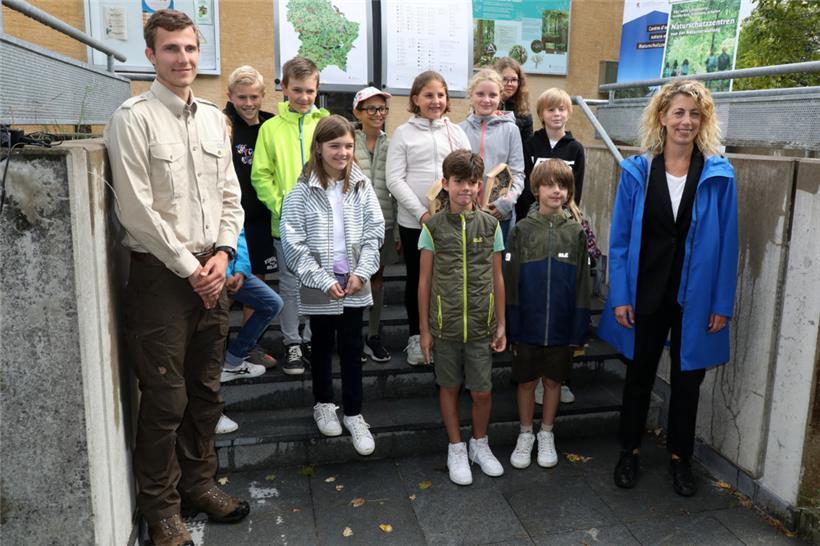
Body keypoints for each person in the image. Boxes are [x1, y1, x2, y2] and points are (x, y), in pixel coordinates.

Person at [104, 9, 248, 546]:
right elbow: (136, 212)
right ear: (150, 55)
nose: (183, 59)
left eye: (190, 48)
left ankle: (199, 485)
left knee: (206, 391)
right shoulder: (132, 118)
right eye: (171, 49)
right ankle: (161, 509)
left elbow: (231, 195)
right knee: (165, 399)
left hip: (212, 269)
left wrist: (225, 253)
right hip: (164, 279)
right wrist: (193, 269)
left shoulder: (213, 116)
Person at [597, 80, 738, 497]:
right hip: (645, 292)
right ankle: (630, 451)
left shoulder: (719, 174)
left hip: (695, 296)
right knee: (638, 375)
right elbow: (619, 241)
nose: (686, 121)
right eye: (678, 112)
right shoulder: (637, 171)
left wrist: (721, 303)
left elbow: (729, 244)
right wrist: (620, 295)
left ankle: (681, 459)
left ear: (703, 121)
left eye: (695, 114)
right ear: (662, 117)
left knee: (688, 379)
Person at [280, 115, 385, 456]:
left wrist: (363, 272)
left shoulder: (362, 186)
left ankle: (354, 413)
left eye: (348, 146)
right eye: (334, 146)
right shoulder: (301, 192)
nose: (342, 153)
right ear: (319, 148)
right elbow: (293, 244)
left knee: (353, 349)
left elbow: (374, 233)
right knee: (322, 346)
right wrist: (322, 279)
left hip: (355, 282)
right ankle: (324, 403)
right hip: (319, 283)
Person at [418, 149, 507, 486]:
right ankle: (456, 446)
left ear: (478, 187)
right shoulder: (433, 228)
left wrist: (502, 323)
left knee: (482, 391)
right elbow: (424, 281)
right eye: (458, 182)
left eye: (472, 183)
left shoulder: (491, 225)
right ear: (446, 183)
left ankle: (478, 444)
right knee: (450, 387)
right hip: (446, 325)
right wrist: (425, 330)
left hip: (482, 326)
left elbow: (498, 277)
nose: (465, 189)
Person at [506, 159, 591, 470]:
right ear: (536, 189)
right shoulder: (522, 231)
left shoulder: (576, 232)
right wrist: (510, 324)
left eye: (563, 185)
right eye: (550, 185)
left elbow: (583, 280)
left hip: (561, 323)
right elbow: (511, 278)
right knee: (526, 382)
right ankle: (525, 433)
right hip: (527, 323)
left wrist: (579, 324)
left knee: (553, 381)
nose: (557, 190)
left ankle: (546, 433)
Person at [386, 71, 471, 366]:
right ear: (415, 99)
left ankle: (445, 337)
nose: (436, 101)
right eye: (429, 95)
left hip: (450, 221)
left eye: (441, 95)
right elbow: (395, 180)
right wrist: (422, 214)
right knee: (418, 280)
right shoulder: (403, 133)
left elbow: (466, 176)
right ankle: (415, 338)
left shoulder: (457, 132)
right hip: (415, 223)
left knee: (448, 280)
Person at [251, 57, 329, 374]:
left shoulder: (325, 126)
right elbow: (261, 176)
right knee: (290, 285)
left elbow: (339, 169)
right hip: (285, 226)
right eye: (297, 90)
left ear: (317, 89)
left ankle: (313, 338)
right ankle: (292, 342)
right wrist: (285, 207)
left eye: (310, 90)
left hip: (323, 225)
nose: (303, 97)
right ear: (284, 87)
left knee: (319, 283)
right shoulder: (270, 128)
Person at [223, 65, 278, 368]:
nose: (248, 103)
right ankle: (217, 345)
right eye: (241, 97)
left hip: (261, 218)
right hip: (231, 218)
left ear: (262, 96)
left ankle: (248, 345)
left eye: (254, 97)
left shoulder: (270, 125)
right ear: (230, 96)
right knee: (230, 282)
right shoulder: (222, 124)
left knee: (257, 280)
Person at [216, 229, 284, 434]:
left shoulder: (230, 196)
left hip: (233, 269)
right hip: (206, 276)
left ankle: (234, 359)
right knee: (210, 337)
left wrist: (241, 270)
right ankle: (210, 413)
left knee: (272, 303)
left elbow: (239, 231)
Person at [352, 86, 395, 363]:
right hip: (353, 226)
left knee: (377, 281)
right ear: (358, 112)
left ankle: (373, 334)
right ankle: (353, 337)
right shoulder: (347, 140)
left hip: (385, 223)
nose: (378, 114)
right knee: (355, 281)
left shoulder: (391, 142)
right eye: (372, 109)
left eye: (382, 109)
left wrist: (400, 230)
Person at [459, 69, 525, 241]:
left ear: (500, 97)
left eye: (492, 95)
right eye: (480, 94)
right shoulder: (459, 130)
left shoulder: (511, 130)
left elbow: (518, 173)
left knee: (497, 265)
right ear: (471, 95)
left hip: (499, 213)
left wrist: (506, 204)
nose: (486, 100)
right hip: (467, 210)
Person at [495, 57, 533, 146]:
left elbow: (527, 145)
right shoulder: (486, 106)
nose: (510, 84)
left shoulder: (523, 111)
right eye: (504, 79)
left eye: (514, 80)